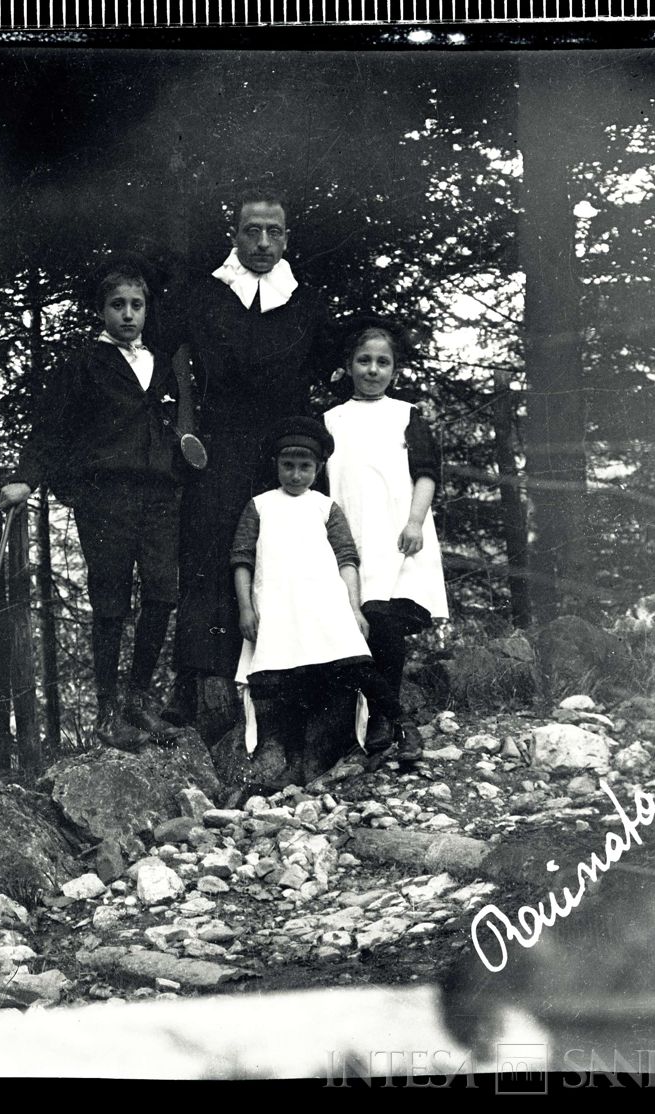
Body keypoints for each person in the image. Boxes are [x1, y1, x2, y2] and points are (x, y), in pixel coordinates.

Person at [160, 188, 337, 727]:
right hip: (218, 447)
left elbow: (327, 375)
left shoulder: (306, 300)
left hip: (282, 452)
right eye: (252, 231)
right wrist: (188, 429)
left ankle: (280, 683)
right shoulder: (204, 295)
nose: (263, 243)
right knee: (207, 554)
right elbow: (175, 358)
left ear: (287, 237)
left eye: (274, 232)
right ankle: (192, 686)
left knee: (284, 555)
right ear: (234, 236)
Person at [0, 256, 185, 752]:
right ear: (100, 311)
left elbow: (183, 425)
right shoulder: (83, 366)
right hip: (107, 499)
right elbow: (51, 429)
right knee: (110, 601)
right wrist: (25, 480)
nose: (128, 314)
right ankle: (106, 713)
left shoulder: (163, 365)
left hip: (161, 496)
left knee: (163, 593)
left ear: (147, 311)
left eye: (137, 305)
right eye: (117, 305)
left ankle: (138, 701)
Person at [230, 417, 405, 786]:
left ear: (318, 468)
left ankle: (402, 727)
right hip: (280, 609)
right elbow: (242, 559)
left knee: (356, 666)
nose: (296, 475)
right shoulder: (259, 506)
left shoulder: (326, 508)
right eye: (288, 466)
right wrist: (246, 608)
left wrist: (354, 609)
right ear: (276, 465)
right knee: (290, 685)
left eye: (305, 467)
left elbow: (347, 560)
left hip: (325, 606)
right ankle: (296, 762)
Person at [322, 322, 449, 757]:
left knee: (386, 618)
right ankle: (393, 719)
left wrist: (414, 522)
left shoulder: (406, 414)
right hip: (353, 539)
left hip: (399, 537)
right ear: (348, 366)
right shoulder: (330, 421)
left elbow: (426, 474)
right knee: (361, 619)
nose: (373, 370)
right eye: (364, 360)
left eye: (383, 362)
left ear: (394, 370)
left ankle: (380, 720)